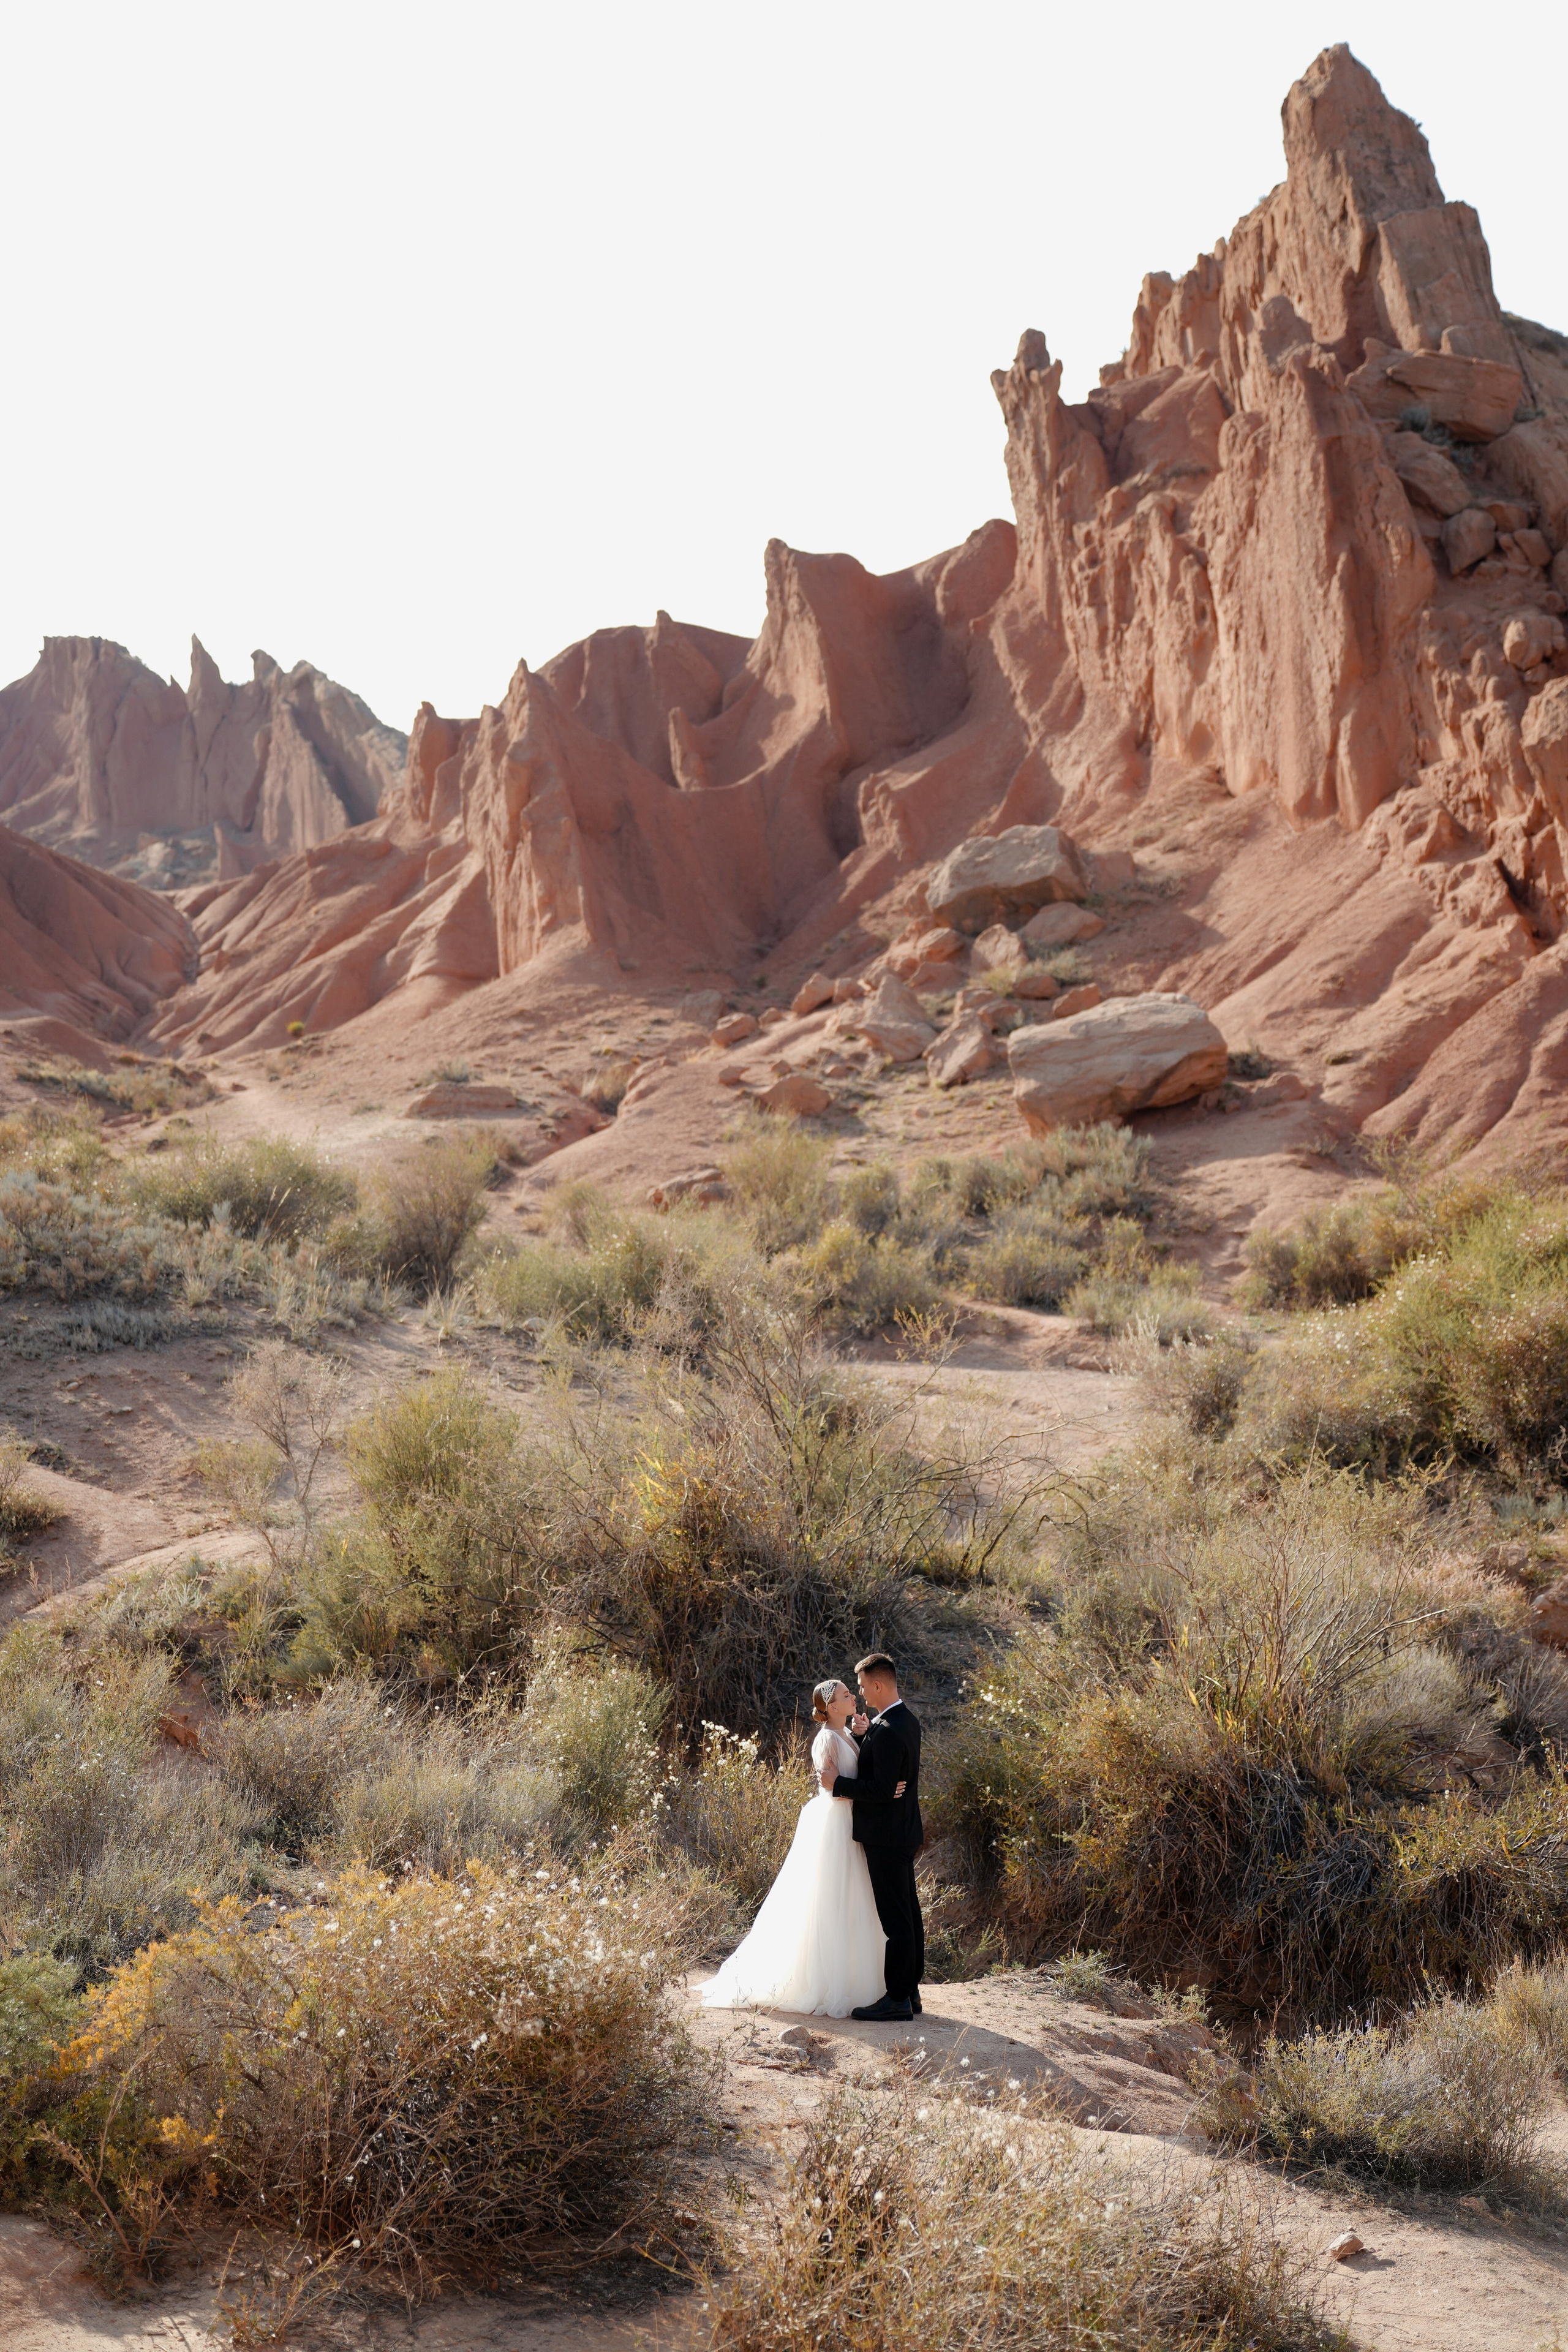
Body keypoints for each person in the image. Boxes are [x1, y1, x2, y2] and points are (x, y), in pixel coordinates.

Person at [698, 1678, 888, 2017]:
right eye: (846, 1695)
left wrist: (862, 1737)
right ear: (831, 1707)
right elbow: (831, 1788)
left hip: (852, 1821)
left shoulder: (846, 1734)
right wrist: (869, 1789)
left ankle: (857, 1979)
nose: (853, 1697)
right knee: (831, 1898)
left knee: (854, 1898)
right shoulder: (827, 1739)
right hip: (836, 1823)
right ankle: (824, 1980)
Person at [820, 1651, 924, 2022]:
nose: (862, 1694)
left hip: (888, 1836)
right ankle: (910, 1991)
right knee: (908, 1911)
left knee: (896, 1919)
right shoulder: (903, 1721)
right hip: (903, 1830)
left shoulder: (891, 1729)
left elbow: (882, 1789)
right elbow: (886, 1780)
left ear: (878, 1684)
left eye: (863, 1687)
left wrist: (839, 1784)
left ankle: (897, 1997)